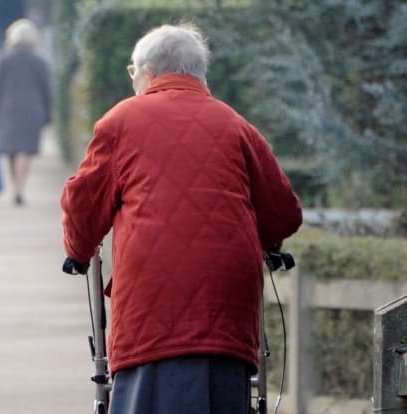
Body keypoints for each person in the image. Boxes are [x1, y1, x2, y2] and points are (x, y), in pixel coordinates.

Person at [61, 23, 302, 414]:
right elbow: (283, 213)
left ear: (148, 72)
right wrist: (268, 242)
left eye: (132, 72)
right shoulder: (236, 125)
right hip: (227, 310)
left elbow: (82, 204)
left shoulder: (121, 122)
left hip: (150, 311)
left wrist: (79, 249)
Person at [0, 18, 52, 206]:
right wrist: (48, 113)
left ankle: (16, 185)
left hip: (8, 110)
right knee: (24, 150)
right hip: (32, 110)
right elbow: (46, 89)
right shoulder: (39, 61)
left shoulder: (5, 60)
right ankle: (20, 187)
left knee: (11, 150)